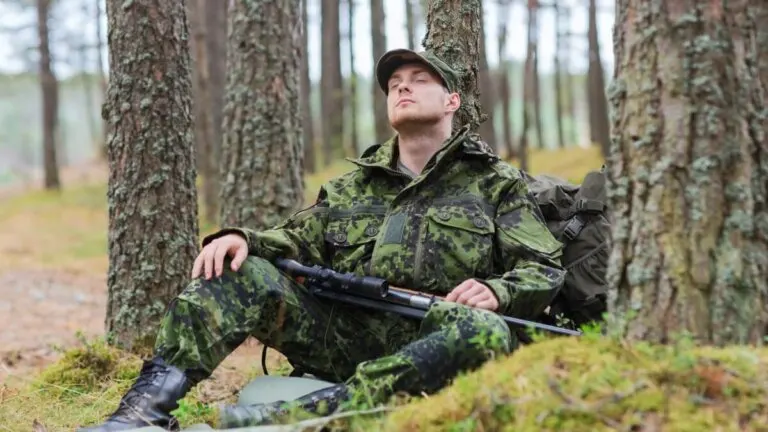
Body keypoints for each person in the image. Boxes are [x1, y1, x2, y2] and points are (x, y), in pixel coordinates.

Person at [78, 48, 565, 431]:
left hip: (436, 343)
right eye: (395, 85)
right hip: (345, 337)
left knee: (487, 332)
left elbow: (544, 267)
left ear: (452, 101)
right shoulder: (351, 187)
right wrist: (241, 237)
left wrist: (497, 291)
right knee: (240, 267)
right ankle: (140, 416)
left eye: (418, 82)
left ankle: (300, 416)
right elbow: (294, 239)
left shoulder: (494, 183)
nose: (402, 89)